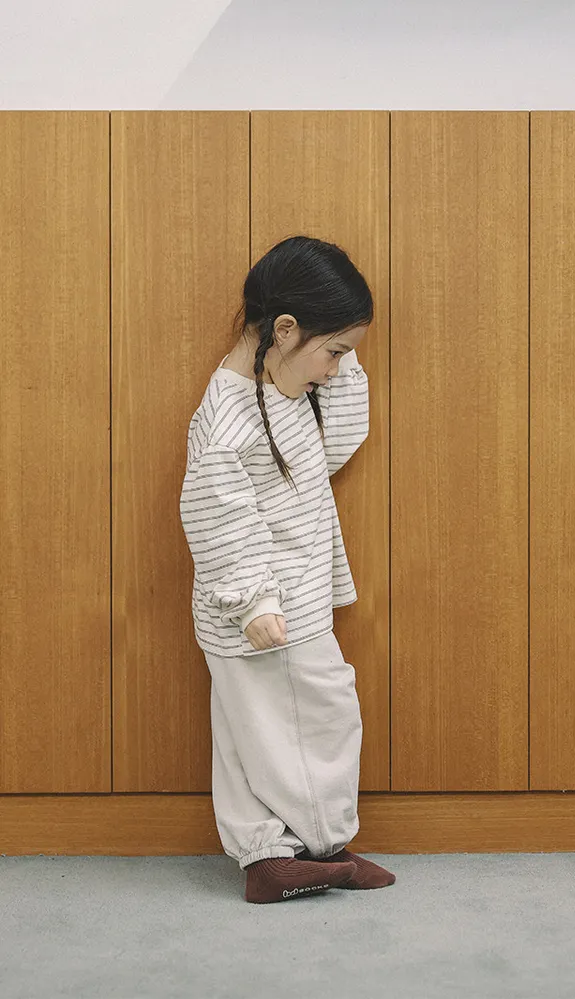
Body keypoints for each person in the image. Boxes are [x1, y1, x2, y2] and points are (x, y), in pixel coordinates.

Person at [179, 235, 395, 904]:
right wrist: (254, 602)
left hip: (278, 602)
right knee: (321, 713)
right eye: (334, 353)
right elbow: (217, 517)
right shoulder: (228, 419)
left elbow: (335, 444)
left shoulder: (284, 392)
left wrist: (340, 362)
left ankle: (268, 857)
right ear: (285, 329)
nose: (336, 370)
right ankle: (323, 844)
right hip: (267, 610)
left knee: (251, 732)